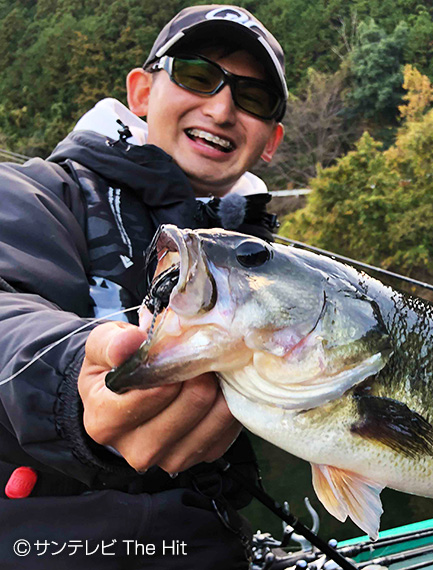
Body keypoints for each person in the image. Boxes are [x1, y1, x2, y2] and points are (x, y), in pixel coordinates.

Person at [0, 5, 288, 568]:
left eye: (252, 99)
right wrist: (71, 378)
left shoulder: (264, 262)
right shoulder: (34, 192)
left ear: (271, 140)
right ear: (141, 93)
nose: (223, 107)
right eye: (197, 75)